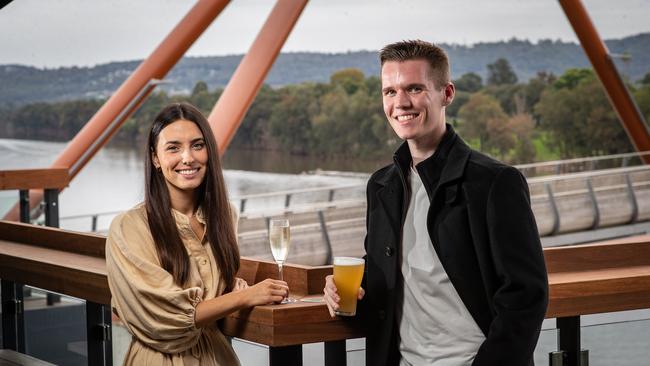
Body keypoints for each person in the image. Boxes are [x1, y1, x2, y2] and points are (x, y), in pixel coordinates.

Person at [323, 40, 548, 365]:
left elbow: (527, 295)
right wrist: (346, 288)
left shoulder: (495, 183)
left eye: (414, 88)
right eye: (389, 91)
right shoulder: (381, 186)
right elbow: (390, 273)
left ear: (447, 94)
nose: (400, 102)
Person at [106, 102, 289, 365]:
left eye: (197, 145)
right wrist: (243, 297)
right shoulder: (128, 227)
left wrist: (232, 288)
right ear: (155, 158)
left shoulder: (226, 214)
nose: (188, 158)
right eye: (173, 148)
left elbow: (215, 287)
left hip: (218, 357)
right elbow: (165, 319)